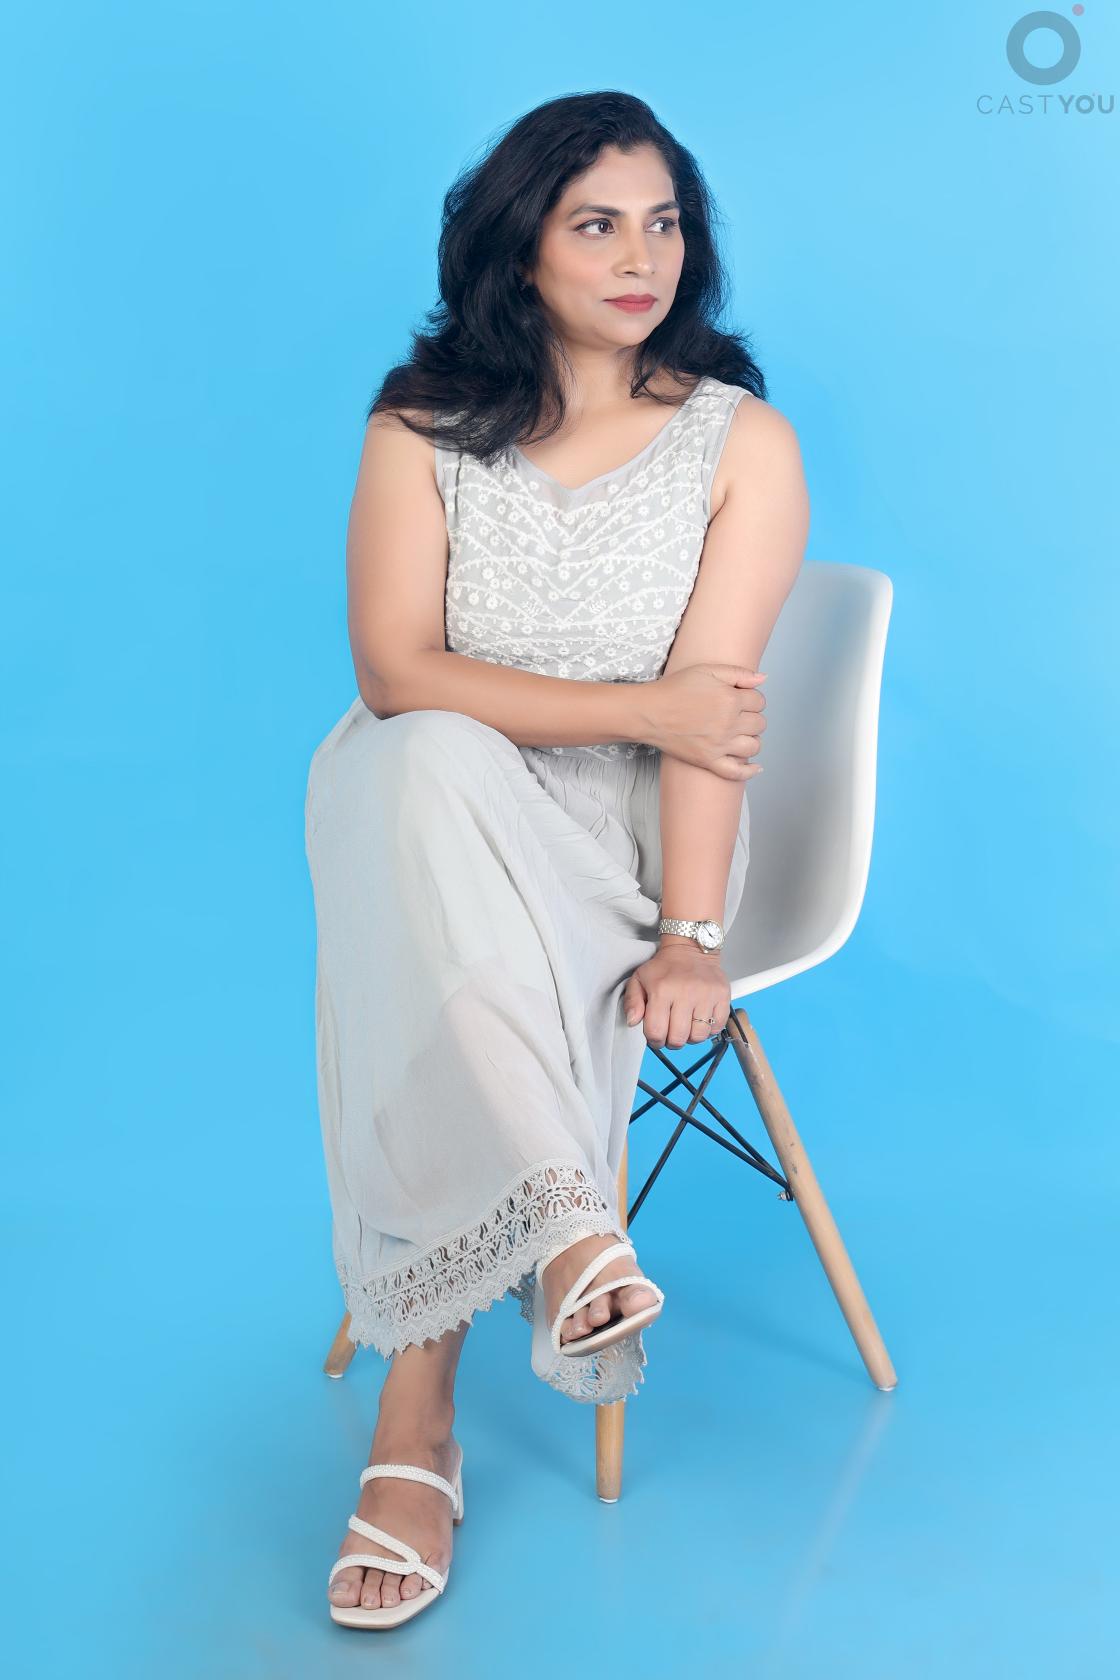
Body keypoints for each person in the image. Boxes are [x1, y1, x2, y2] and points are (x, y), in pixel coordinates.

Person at [304, 90, 809, 1629]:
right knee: (429, 762)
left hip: (616, 845)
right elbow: (398, 672)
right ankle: (572, 1229)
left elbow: (711, 719)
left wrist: (693, 935)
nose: (642, 257)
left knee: (445, 902)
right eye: (598, 224)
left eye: (665, 224)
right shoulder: (420, 426)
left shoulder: (740, 443)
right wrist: (642, 703)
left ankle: (416, 1430)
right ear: (520, 246)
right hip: (416, 810)